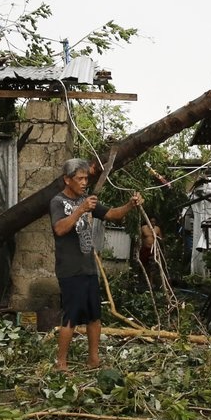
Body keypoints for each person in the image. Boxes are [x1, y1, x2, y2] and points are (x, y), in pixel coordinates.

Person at [50, 158, 143, 371]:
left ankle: (94, 360)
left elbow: (112, 214)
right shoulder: (57, 202)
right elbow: (59, 229)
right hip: (70, 269)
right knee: (71, 317)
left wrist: (130, 205)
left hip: (89, 267)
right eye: (80, 178)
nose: (84, 182)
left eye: (86, 178)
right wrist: (81, 210)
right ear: (67, 179)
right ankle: (61, 363)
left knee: (94, 316)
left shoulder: (86, 199)